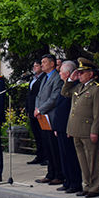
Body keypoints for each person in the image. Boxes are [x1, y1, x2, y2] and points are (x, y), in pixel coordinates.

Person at [62, 58, 99, 197]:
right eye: (78, 73)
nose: (79, 75)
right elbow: (65, 92)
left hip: (88, 131)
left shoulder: (97, 89)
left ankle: (94, 187)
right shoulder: (78, 87)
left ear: (90, 74)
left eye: (82, 73)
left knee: (93, 161)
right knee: (83, 161)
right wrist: (70, 79)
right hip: (76, 130)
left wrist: (95, 131)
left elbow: (98, 113)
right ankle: (87, 185)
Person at [33, 54, 64, 186]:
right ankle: (50, 173)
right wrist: (36, 108)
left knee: (54, 147)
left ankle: (59, 174)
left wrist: (40, 109)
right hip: (42, 117)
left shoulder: (57, 78)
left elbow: (54, 97)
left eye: (44, 62)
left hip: (50, 116)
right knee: (47, 146)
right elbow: (39, 96)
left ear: (52, 64)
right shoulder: (45, 78)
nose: (42, 64)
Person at [52, 61, 83, 193]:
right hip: (60, 126)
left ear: (68, 73)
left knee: (71, 156)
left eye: (61, 71)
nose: (59, 73)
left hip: (68, 126)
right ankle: (67, 180)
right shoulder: (65, 85)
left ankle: (75, 182)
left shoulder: (75, 86)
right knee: (63, 156)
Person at [27, 61, 46, 165]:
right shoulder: (33, 79)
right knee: (37, 136)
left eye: (37, 65)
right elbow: (28, 96)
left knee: (42, 135)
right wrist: (28, 110)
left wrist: (37, 109)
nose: (34, 68)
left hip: (39, 111)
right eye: (33, 66)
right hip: (31, 111)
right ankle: (39, 155)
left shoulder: (43, 78)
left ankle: (45, 156)